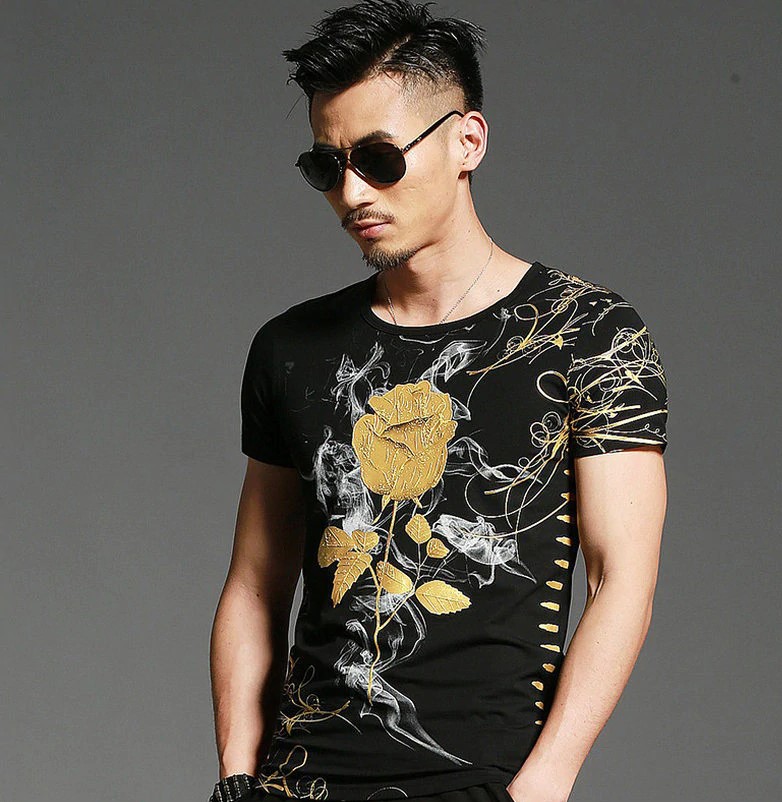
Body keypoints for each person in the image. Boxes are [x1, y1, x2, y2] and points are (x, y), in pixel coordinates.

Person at [208, 2, 669, 801]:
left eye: (379, 158)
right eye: (327, 166)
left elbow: (621, 578)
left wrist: (544, 783)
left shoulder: (589, 334)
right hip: (298, 783)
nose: (352, 192)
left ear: (468, 141)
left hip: (487, 785)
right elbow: (255, 583)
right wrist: (237, 777)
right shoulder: (291, 349)